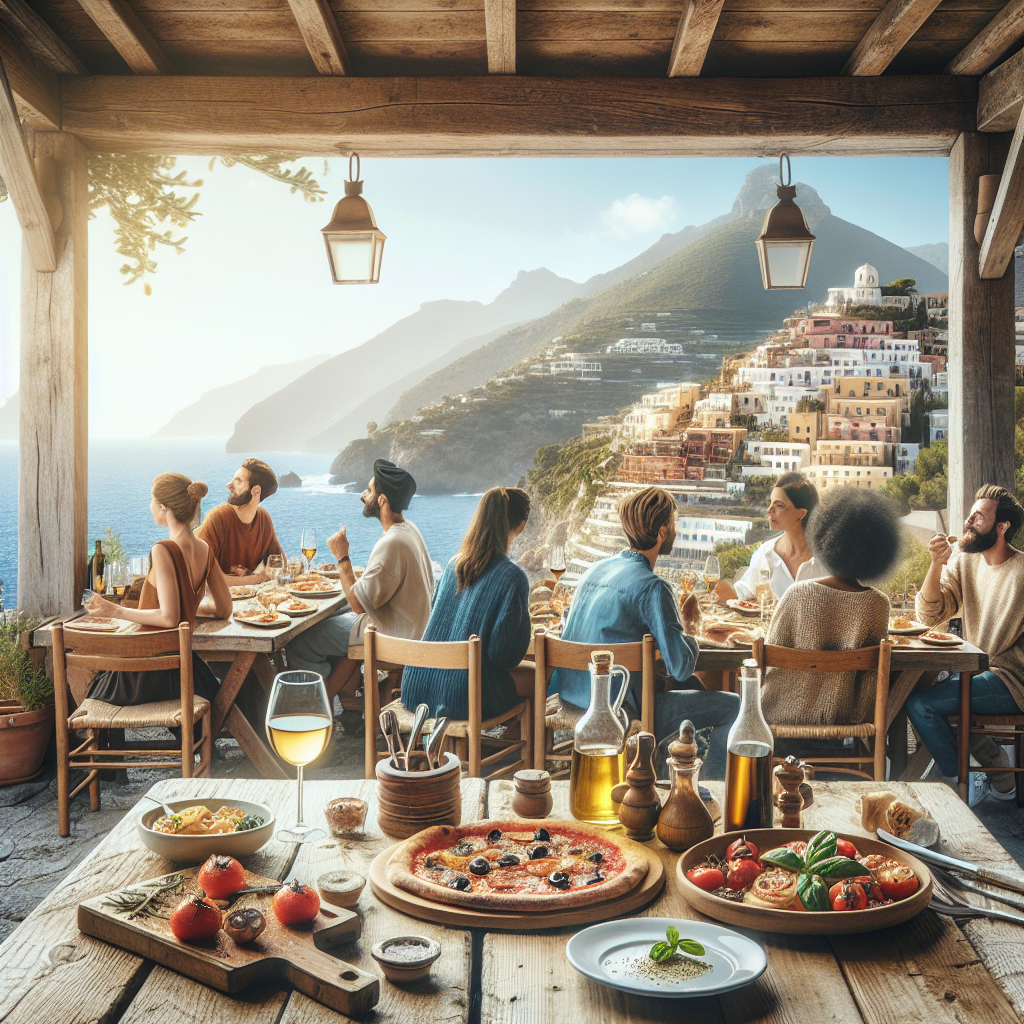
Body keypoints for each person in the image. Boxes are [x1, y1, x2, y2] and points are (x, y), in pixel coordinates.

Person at [550, 486, 739, 778]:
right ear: (662, 532)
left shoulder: (594, 570)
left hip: (570, 697)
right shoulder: (653, 587)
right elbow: (680, 666)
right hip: (616, 713)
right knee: (734, 706)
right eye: (674, 524)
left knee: (696, 690)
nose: (675, 531)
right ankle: (712, 790)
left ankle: (658, 778)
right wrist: (689, 630)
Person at [907, 484, 1024, 805]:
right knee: (916, 696)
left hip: (1012, 679)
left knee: (922, 705)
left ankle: (964, 781)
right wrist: (935, 563)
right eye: (971, 514)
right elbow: (930, 613)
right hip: (974, 670)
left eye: (979, 517)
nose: (969, 521)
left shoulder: (1021, 571)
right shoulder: (965, 561)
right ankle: (996, 769)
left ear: (1002, 527)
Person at [285, 459, 433, 703]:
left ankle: (314, 705)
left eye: (370, 491)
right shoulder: (409, 529)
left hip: (392, 637)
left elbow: (356, 603)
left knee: (301, 639)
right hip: (412, 630)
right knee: (329, 619)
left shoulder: (392, 543)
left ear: (382, 501)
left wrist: (342, 557)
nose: (364, 495)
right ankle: (343, 696)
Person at [85, 474, 233, 705]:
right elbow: (224, 609)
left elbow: (168, 617)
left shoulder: (163, 549)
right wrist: (189, 607)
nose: (149, 506)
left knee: (90, 694)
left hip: (150, 670)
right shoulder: (205, 549)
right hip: (186, 667)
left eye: (152, 500)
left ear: (163, 508)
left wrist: (113, 610)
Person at [760, 486, 901, 726]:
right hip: (848, 720)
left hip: (783, 718)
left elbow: (768, 658)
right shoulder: (879, 605)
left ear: (825, 537)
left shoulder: (798, 594)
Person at [401, 487, 532, 720]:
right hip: (461, 695)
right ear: (521, 525)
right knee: (541, 675)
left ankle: (493, 745)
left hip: (416, 685)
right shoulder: (513, 577)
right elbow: (503, 657)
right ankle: (521, 751)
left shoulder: (453, 565)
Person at [717, 472, 824, 604]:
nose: (769, 510)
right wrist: (720, 591)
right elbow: (743, 593)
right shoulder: (766, 553)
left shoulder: (825, 560)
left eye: (779, 505)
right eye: (771, 503)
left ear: (802, 513)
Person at [197, 459, 284, 586]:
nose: (229, 485)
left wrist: (252, 575)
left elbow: (279, 563)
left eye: (238, 481)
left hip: (247, 599)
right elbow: (208, 577)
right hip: (217, 601)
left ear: (256, 491)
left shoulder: (263, 519)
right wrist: (258, 578)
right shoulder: (217, 518)